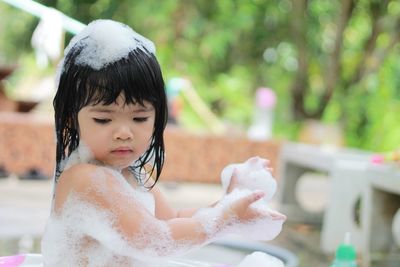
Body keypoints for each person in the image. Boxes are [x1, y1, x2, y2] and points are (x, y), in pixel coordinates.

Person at [41, 19, 285, 267]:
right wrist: (223, 218)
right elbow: (154, 239)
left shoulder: (134, 174)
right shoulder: (85, 179)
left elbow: (173, 220)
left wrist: (229, 204)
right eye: (103, 119)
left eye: (140, 118)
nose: (124, 132)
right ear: (72, 119)